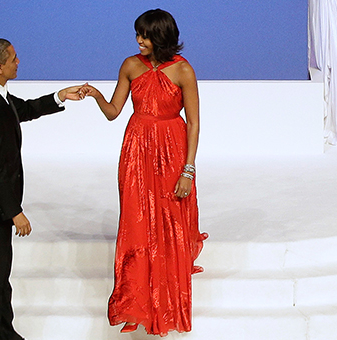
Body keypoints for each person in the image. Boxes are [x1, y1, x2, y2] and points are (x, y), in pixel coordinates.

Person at [80, 9, 208, 336]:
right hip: (136, 152)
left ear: (161, 37)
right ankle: (135, 302)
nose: (139, 41)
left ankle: (165, 303)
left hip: (172, 151)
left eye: (145, 36)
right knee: (136, 224)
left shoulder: (183, 71)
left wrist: (188, 170)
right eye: (137, 35)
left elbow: (193, 123)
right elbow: (113, 112)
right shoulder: (130, 65)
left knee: (169, 222)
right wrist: (96, 95)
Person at [0, 38, 84, 340]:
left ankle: (3, 331)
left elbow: (23, 109)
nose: (18, 62)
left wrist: (59, 96)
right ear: (0, 67)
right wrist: (15, 211)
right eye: (13, 59)